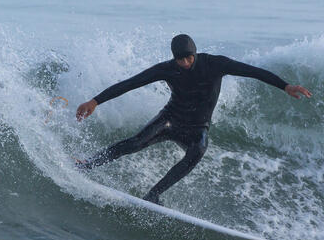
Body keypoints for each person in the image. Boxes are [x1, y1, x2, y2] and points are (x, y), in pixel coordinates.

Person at [75, 34, 311, 205]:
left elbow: (252, 71)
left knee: (197, 151)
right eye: (181, 60)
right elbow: (130, 83)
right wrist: (95, 101)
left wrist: (285, 86)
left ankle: (153, 194)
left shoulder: (215, 64)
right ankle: (87, 165)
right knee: (136, 142)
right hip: (170, 119)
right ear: (174, 58)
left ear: (195, 53)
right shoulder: (166, 69)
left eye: (189, 58)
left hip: (198, 127)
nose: (185, 63)